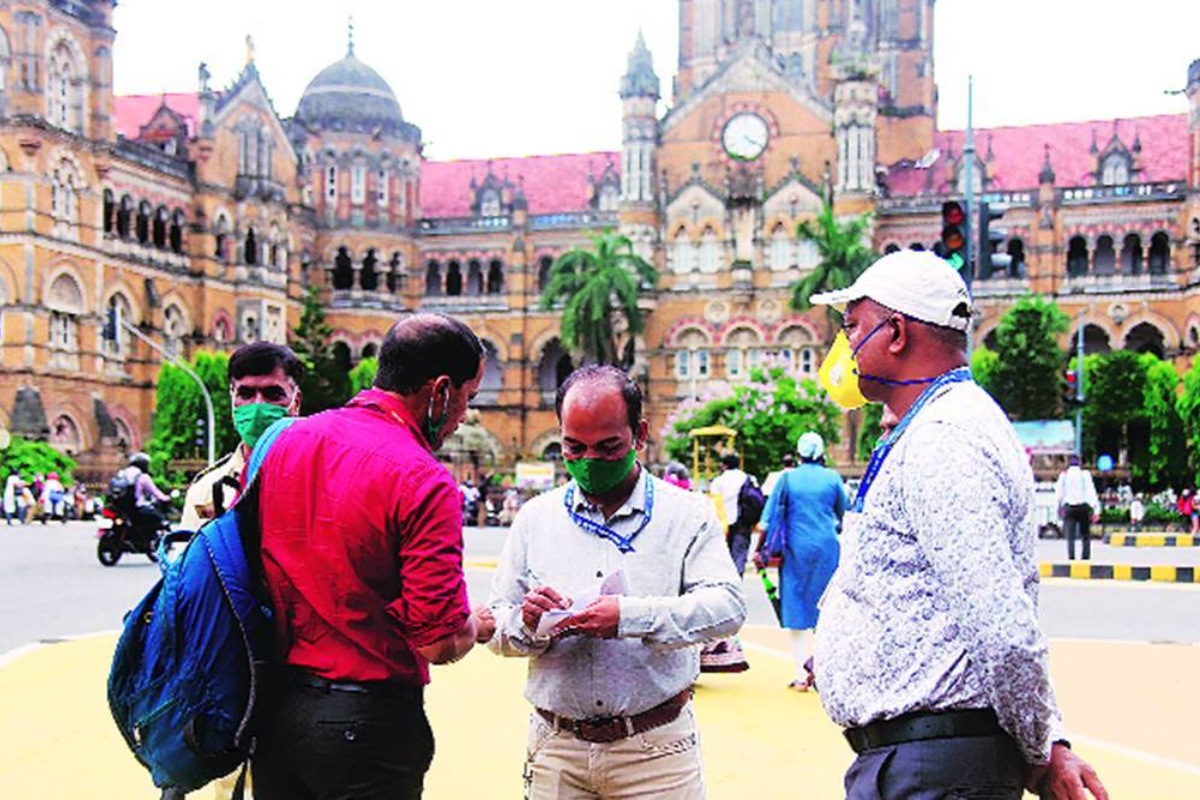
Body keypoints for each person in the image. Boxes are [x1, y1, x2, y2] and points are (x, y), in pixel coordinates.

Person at [808, 250, 1107, 800]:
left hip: (932, 768)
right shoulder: (930, 425)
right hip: (919, 761)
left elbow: (1000, 622)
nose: (845, 345)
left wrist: (1044, 747)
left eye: (852, 327)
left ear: (896, 333)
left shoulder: (945, 438)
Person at [251, 313, 495, 800]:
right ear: (440, 390)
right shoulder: (423, 480)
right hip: (366, 726)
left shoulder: (284, 443)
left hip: (276, 713)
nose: (464, 415)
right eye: (467, 398)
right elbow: (439, 641)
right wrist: (476, 625)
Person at [487, 365, 746, 800]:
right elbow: (496, 624)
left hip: (656, 750)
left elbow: (727, 607)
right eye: (574, 447)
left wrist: (629, 617)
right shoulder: (535, 518)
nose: (590, 461)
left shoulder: (686, 515)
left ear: (639, 434)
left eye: (608, 447)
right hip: (557, 749)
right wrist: (528, 624)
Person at [755, 432, 846, 692]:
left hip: (795, 549)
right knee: (825, 609)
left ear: (799, 454)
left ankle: (799, 674)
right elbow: (845, 512)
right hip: (827, 548)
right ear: (822, 453)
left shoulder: (787, 478)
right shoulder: (833, 478)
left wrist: (759, 550)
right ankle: (821, 671)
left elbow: (767, 519)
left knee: (795, 608)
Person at [180, 342, 304, 532]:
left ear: (296, 402)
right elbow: (186, 549)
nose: (257, 406)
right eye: (246, 394)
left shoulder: (324, 479)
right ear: (232, 399)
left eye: (272, 395)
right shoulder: (206, 489)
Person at [709, 453, 753, 575]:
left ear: (724, 465)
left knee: (723, 555)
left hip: (722, 523)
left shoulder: (718, 481)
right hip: (743, 521)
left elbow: (713, 504)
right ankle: (737, 579)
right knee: (739, 554)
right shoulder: (747, 478)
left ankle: (725, 579)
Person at [1055, 454, 1100, 561]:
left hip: (1069, 507)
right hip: (1083, 507)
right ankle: (1085, 557)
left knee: (1070, 535)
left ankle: (1071, 557)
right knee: (1085, 535)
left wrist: (1058, 509)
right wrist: (1096, 510)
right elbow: (1091, 492)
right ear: (1079, 463)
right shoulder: (1085, 475)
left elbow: (1059, 494)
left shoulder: (1064, 475)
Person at [117, 453, 171, 539]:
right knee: (158, 517)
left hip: (120, 508)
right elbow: (155, 492)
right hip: (136, 508)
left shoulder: (122, 473)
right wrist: (166, 498)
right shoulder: (142, 476)